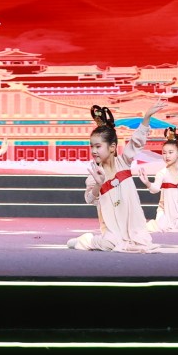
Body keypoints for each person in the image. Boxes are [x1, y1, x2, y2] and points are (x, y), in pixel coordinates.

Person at [67, 104, 159, 252]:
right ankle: (85, 241)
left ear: (112, 147)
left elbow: (136, 141)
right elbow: (89, 199)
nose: (94, 151)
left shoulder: (124, 162)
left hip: (132, 224)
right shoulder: (95, 174)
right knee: (109, 244)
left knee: (142, 242)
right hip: (111, 228)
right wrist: (98, 185)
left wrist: (147, 117)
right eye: (92, 146)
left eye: (98, 146)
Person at [144, 125, 178, 234]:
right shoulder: (162, 173)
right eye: (164, 153)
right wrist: (147, 183)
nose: (167, 156)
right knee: (163, 226)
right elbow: (155, 189)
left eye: (170, 152)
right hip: (166, 211)